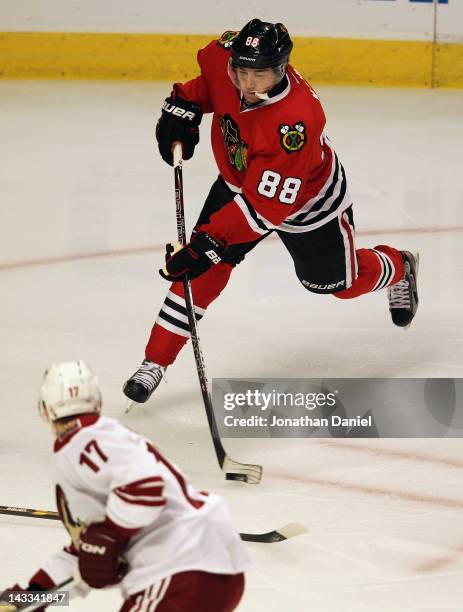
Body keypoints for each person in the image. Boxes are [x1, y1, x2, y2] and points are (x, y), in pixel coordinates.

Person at [123, 18, 419, 404]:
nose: (246, 85)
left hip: (307, 203)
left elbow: (265, 208)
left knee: (334, 286)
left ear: (280, 70)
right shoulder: (224, 61)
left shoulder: (294, 123)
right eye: (240, 72)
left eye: (258, 75)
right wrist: (183, 106)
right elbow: (206, 86)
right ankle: (154, 362)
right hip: (240, 183)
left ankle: (399, 265)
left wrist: (208, 242)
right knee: (202, 270)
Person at [1, 361, 249, 611]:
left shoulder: (82, 442)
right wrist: (27, 598)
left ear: (45, 409)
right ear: (97, 401)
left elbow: (144, 488)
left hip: (179, 571)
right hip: (214, 567)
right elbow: (87, 553)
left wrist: (110, 536)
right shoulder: (106, 437)